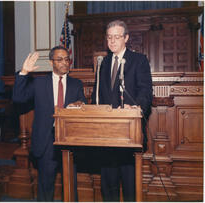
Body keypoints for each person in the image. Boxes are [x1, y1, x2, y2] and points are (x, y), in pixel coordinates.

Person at [13, 46, 87, 201]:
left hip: (69, 141)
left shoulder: (76, 84)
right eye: (59, 59)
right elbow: (18, 98)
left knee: (70, 187)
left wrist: (80, 105)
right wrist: (24, 72)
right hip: (47, 141)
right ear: (51, 62)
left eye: (67, 59)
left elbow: (84, 107)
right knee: (45, 187)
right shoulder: (39, 83)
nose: (65, 63)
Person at [91, 20, 153, 201]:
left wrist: (137, 107)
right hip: (106, 135)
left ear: (126, 38)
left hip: (129, 133)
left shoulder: (138, 60)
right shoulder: (103, 62)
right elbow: (97, 95)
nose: (112, 41)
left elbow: (145, 91)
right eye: (109, 37)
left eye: (116, 37)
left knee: (130, 186)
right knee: (108, 184)